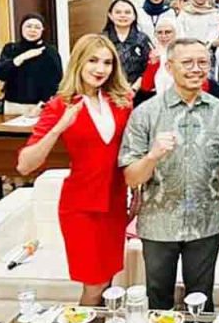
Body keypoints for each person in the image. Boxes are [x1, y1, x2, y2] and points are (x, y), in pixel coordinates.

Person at [120, 37, 219, 315]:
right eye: (187, 62)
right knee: (158, 299)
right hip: (159, 223)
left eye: (202, 62)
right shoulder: (145, 113)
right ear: (169, 67)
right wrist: (152, 156)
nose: (196, 69)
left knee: (201, 300)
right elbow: (131, 178)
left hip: (206, 222)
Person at [18, 33, 133, 300]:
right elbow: (25, 165)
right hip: (81, 206)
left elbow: (130, 151)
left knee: (108, 280)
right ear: (78, 62)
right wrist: (59, 127)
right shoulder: (60, 105)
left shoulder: (122, 100)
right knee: (94, 284)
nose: (100, 69)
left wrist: (136, 191)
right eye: (93, 60)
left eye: (107, 62)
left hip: (115, 202)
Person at [0, 13, 62, 114]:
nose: (32, 30)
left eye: (37, 27)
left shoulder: (49, 51)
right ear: (21, 28)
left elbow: (55, 81)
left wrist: (42, 105)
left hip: (39, 107)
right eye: (28, 26)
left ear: (42, 30)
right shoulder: (11, 49)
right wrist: (22, 57)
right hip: (11, 106)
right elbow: (1, 73)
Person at [103, 0, 154, 91]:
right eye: (118, 12)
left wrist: (134, 88)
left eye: (127, 12)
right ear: (110, 15)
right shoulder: (103, 39)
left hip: (137, 91)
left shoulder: (142, 39)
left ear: (134, 16)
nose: (123, 15)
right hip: (108, 89)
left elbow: (149, 66)